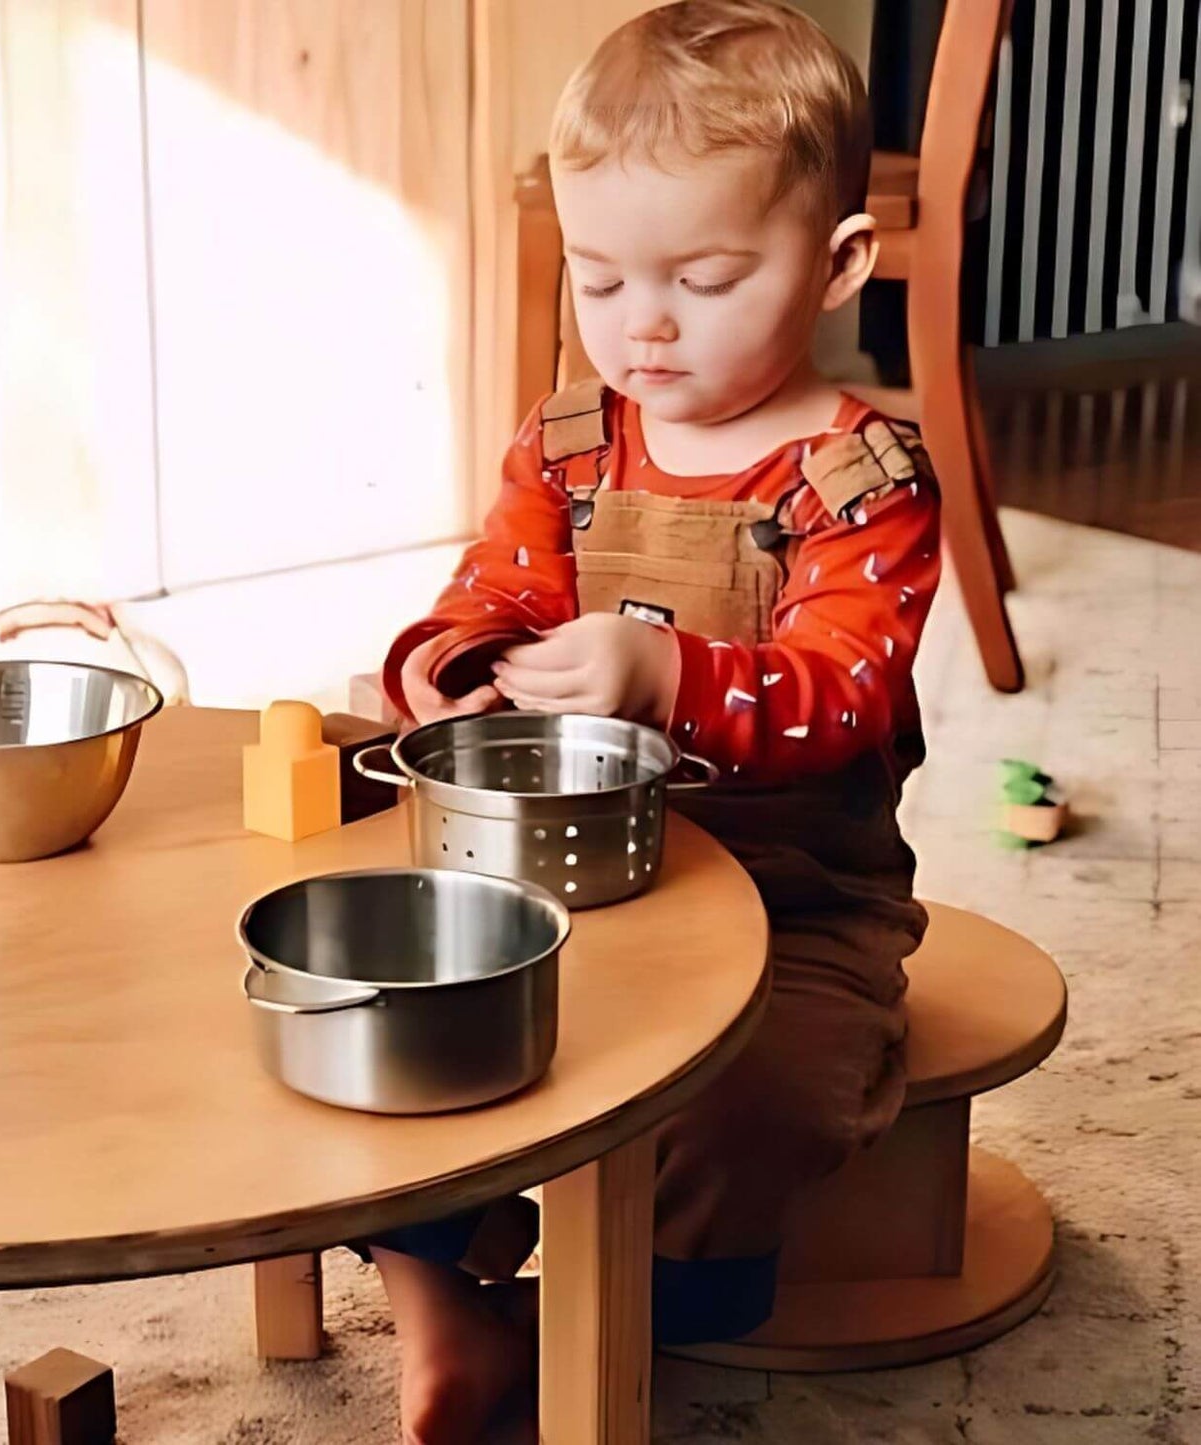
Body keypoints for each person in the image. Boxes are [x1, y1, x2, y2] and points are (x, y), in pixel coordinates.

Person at [370, 4, 940, 1439]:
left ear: (836, 265)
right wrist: (455, 665)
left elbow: (846, 687)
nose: (646, 322)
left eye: (702, 275)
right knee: (390, 1037)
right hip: (562, 887)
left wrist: (668, 669)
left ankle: (558, 1321)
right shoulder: (568, 443)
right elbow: (481, 595)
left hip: (793, 902)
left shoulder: (856, 477)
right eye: (602, 276)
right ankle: (446, 1300)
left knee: (754, 1114)